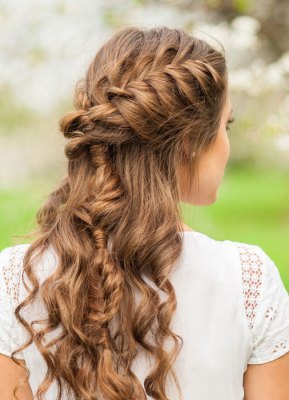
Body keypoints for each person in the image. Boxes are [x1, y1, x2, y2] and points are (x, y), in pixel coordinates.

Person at [0, 25, 289, 400]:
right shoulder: (249, 280)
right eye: (225, 125)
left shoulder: (15, 280)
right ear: (187, 144)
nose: (227, 144)